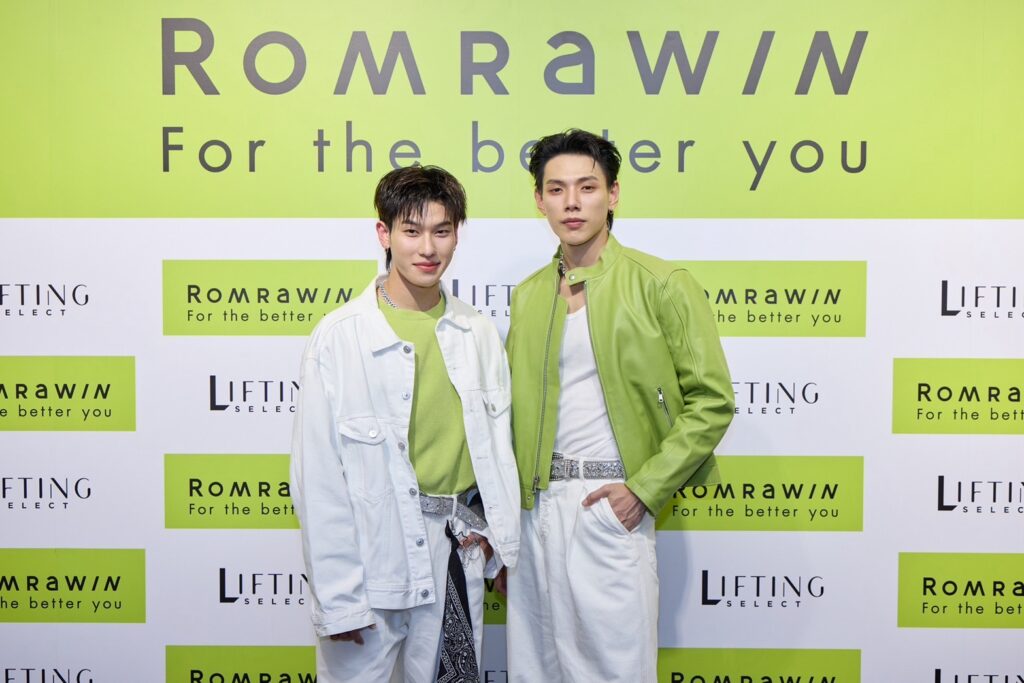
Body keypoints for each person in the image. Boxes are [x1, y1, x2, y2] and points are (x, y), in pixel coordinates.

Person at [503, 129, 734, 682]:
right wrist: (507, 524)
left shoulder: (661, 283)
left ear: (613, 194)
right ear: (539, 200)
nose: (572, 202)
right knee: (535, 673)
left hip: (607, 506)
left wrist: (644, 490)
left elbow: (712, 400)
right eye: (556, 189)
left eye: (587, 187)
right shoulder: (529, 294)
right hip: (534, 515)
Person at [291, 165, 520, 683]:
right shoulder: (339, 336)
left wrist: (494, 537)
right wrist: (339, 600)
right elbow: (318, 477)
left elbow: (497, 450)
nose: (428, 248)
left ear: (457, 234)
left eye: (442, 231)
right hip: (371, 563)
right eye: (412, 231)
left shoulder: (479, 332)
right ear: (384, 233)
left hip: (455, 557)